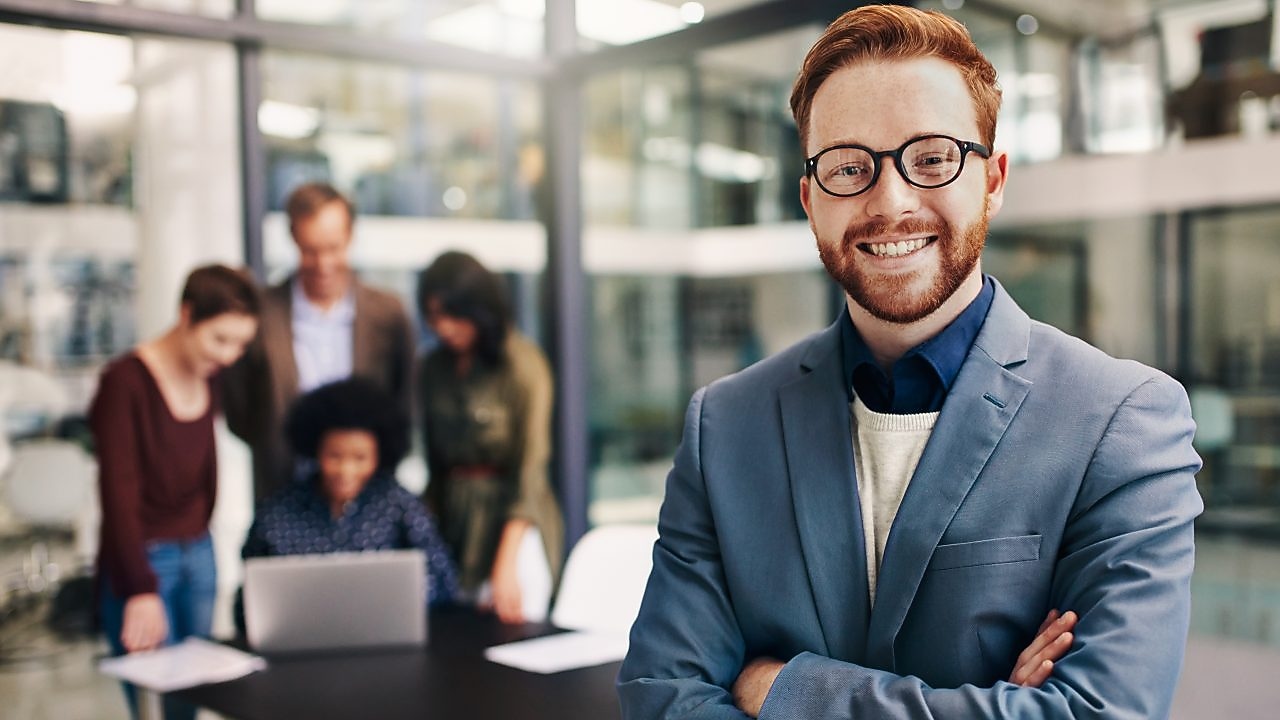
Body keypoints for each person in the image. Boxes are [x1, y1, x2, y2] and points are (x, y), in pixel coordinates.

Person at [618, 6, 1203, 719]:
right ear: (809, 199)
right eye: (848, 168)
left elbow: (1101, 713)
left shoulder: (1122, 420)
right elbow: (659, 697)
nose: (889, 201)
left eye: (931, 158)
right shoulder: (725, 425)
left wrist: (778, 689)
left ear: (992, 180)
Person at [91, 264, 259, 720]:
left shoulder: (210, 376)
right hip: (144, 562)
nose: (229, 356)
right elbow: (117, 494)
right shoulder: (124, 383)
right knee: (152, 704)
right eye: (220, 340)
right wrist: (139, 588)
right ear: (186, 315)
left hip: (198, 555)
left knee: (192, 701)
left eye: (241, 344)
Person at [223, 182, 415, 502]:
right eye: (310, 251)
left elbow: (404, 403)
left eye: (333, 248)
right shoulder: (263, 313)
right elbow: (239, 412)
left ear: (351, 236)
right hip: (281, 488)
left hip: (369, 496)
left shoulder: (388, 314)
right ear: (293, 239)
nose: (323, 264)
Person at [416, 250, 564, 624]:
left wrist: (505, 564)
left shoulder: (523, 364)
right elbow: (434, 467)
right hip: (452, 527)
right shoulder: (433, 368)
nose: (443, 327)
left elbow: (530, 471)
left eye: (451, 314)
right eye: (433, 316)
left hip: (512, 527)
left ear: (479, 309)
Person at [241, 377, 460, 606]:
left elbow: (444, 579)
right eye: (335, 456)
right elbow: (250, 593)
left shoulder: (399, 504)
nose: (346, 470)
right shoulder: (278, 511)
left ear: (379, 456)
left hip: (383, 634)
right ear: (316, 450)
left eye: (360, 458)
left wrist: (399, 602)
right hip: (301, 638)